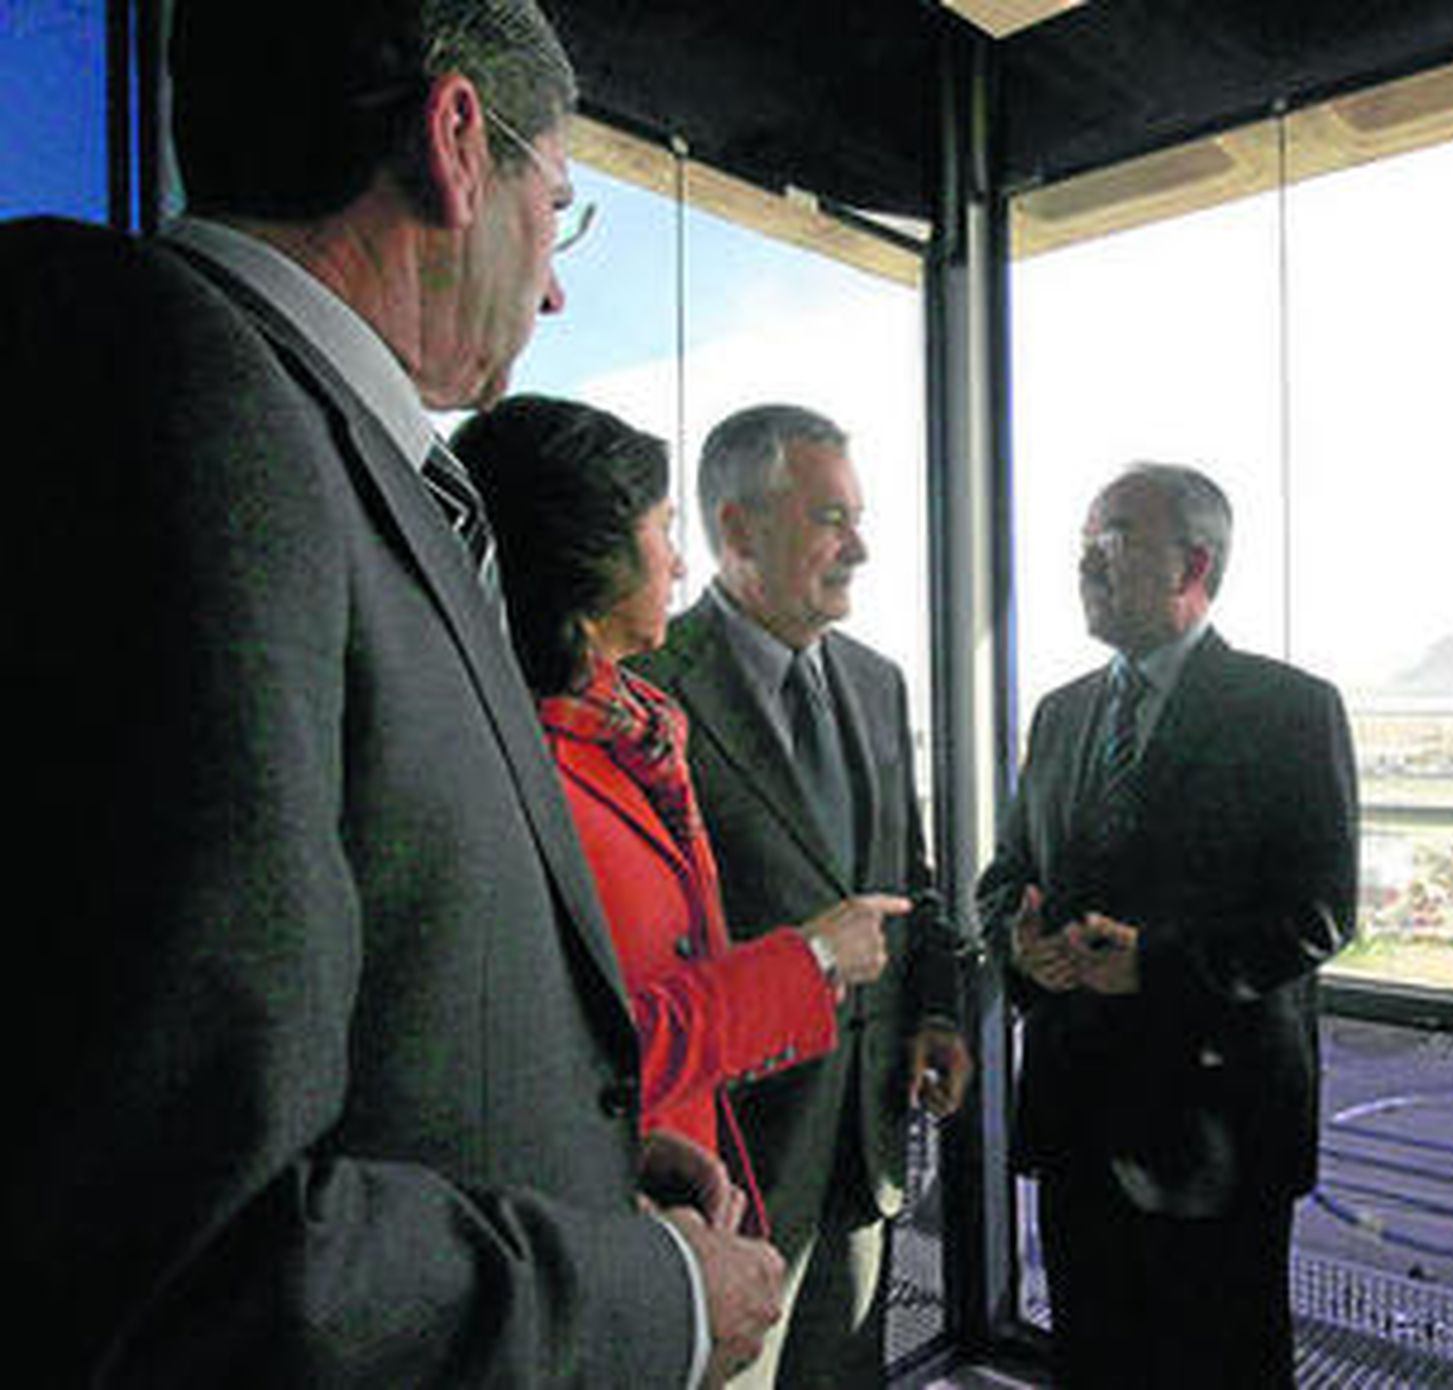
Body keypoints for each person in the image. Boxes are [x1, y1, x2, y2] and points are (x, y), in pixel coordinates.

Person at [2, 2, 781, 1383]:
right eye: (562, 209)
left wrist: (577, 1153)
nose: (552, 289)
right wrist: (642, 1293)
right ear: (457, 142)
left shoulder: (337, 458)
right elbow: (176, 1239)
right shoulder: (175, 407)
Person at [452, 394, 909, 1236]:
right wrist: (810, 960)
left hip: (714, 1176)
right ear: (589, 558)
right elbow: (576, 1056)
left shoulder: (636, 733)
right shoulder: (523, 772)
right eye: (664, 530)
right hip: (634, 1213)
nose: (679, 563)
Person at [977, 462, 1359, 1388]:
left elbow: (1320, 911)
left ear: (1195, 563)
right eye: (1082, 543)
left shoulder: (1291, 712)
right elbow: (1007, 879)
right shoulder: (1061, 715)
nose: (1084, 564)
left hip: (1214, 1142)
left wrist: (1157, 965)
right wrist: (1016, 944)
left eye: (1110, 541)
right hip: (1077, 1128)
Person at [632, 403, 975, 1387]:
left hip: (860, 1145)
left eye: (855, 517)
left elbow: (906, 881)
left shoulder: (877, 680)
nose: (860, 547)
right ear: (737, 528)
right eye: (832, 518)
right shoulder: (648, 681)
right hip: (728, 1171)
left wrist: (934, 1011)